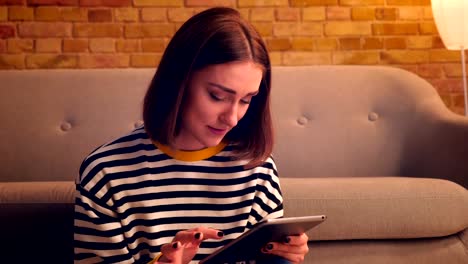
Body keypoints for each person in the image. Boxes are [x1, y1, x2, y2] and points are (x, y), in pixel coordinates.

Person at [74, 7, 309, 264]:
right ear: (178, 82)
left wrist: (283, 258)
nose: (232, 118)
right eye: (217, 96)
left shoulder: (258, 168)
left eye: (246, 100)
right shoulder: (106, 172)